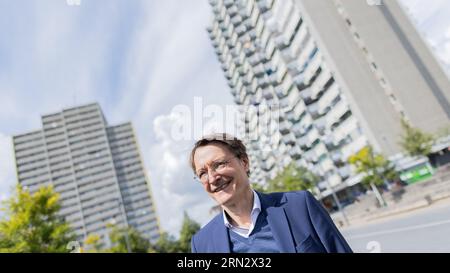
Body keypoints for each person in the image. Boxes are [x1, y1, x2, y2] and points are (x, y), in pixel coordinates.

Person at [189, 133, 353, 253]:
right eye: (202, 173)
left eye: (219, 164)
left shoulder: (300, 206)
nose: (212, 178)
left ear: (244, 162)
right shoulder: (202, 244)